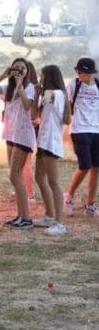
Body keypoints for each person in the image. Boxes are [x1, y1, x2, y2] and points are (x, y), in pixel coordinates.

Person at [0, 58, 37, 228]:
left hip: (23, 136)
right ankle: (20, 216)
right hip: (11, 135)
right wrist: (4, 74)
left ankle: (26, 218)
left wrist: (21, 84)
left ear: (27, 71)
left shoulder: (29, 87)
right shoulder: (8, 88)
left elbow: (26, 106)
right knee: (16, 178)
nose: (19, 70)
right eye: (16, 68)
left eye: (22, 68)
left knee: (15, 175)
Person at [34, 64, 71, 235]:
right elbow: (35, 114)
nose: (40, 80)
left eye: (42, 76)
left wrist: (41, 91)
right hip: (43, 141)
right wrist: (36, 94)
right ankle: (49, 215)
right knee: (39, 177)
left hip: (50, 142)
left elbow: (48, 97)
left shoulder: (56, 94)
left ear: (48, 77)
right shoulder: (49, 95)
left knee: (53, 182)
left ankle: (59, 222)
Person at [64, 57, 99, 217]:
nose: (80, 74)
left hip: (96, 130)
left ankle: (90, 205)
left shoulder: (97, 85)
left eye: (83, 72)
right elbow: (63, 102)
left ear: (90, 73)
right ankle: (68, 197)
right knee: (85, 165)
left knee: (96, 168)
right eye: (78, 71)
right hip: (79, 129)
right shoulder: (73, 84)